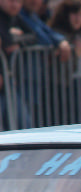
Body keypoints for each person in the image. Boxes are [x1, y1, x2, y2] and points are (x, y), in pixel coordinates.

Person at [0, 0, 33, 129]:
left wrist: (16, 39)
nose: (15, 5)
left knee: (23, 124)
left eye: (18, 1)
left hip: (7, 83)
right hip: (5, 80)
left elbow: (33, 36)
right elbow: (7, 44)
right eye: (11, 0)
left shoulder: (16, 17)